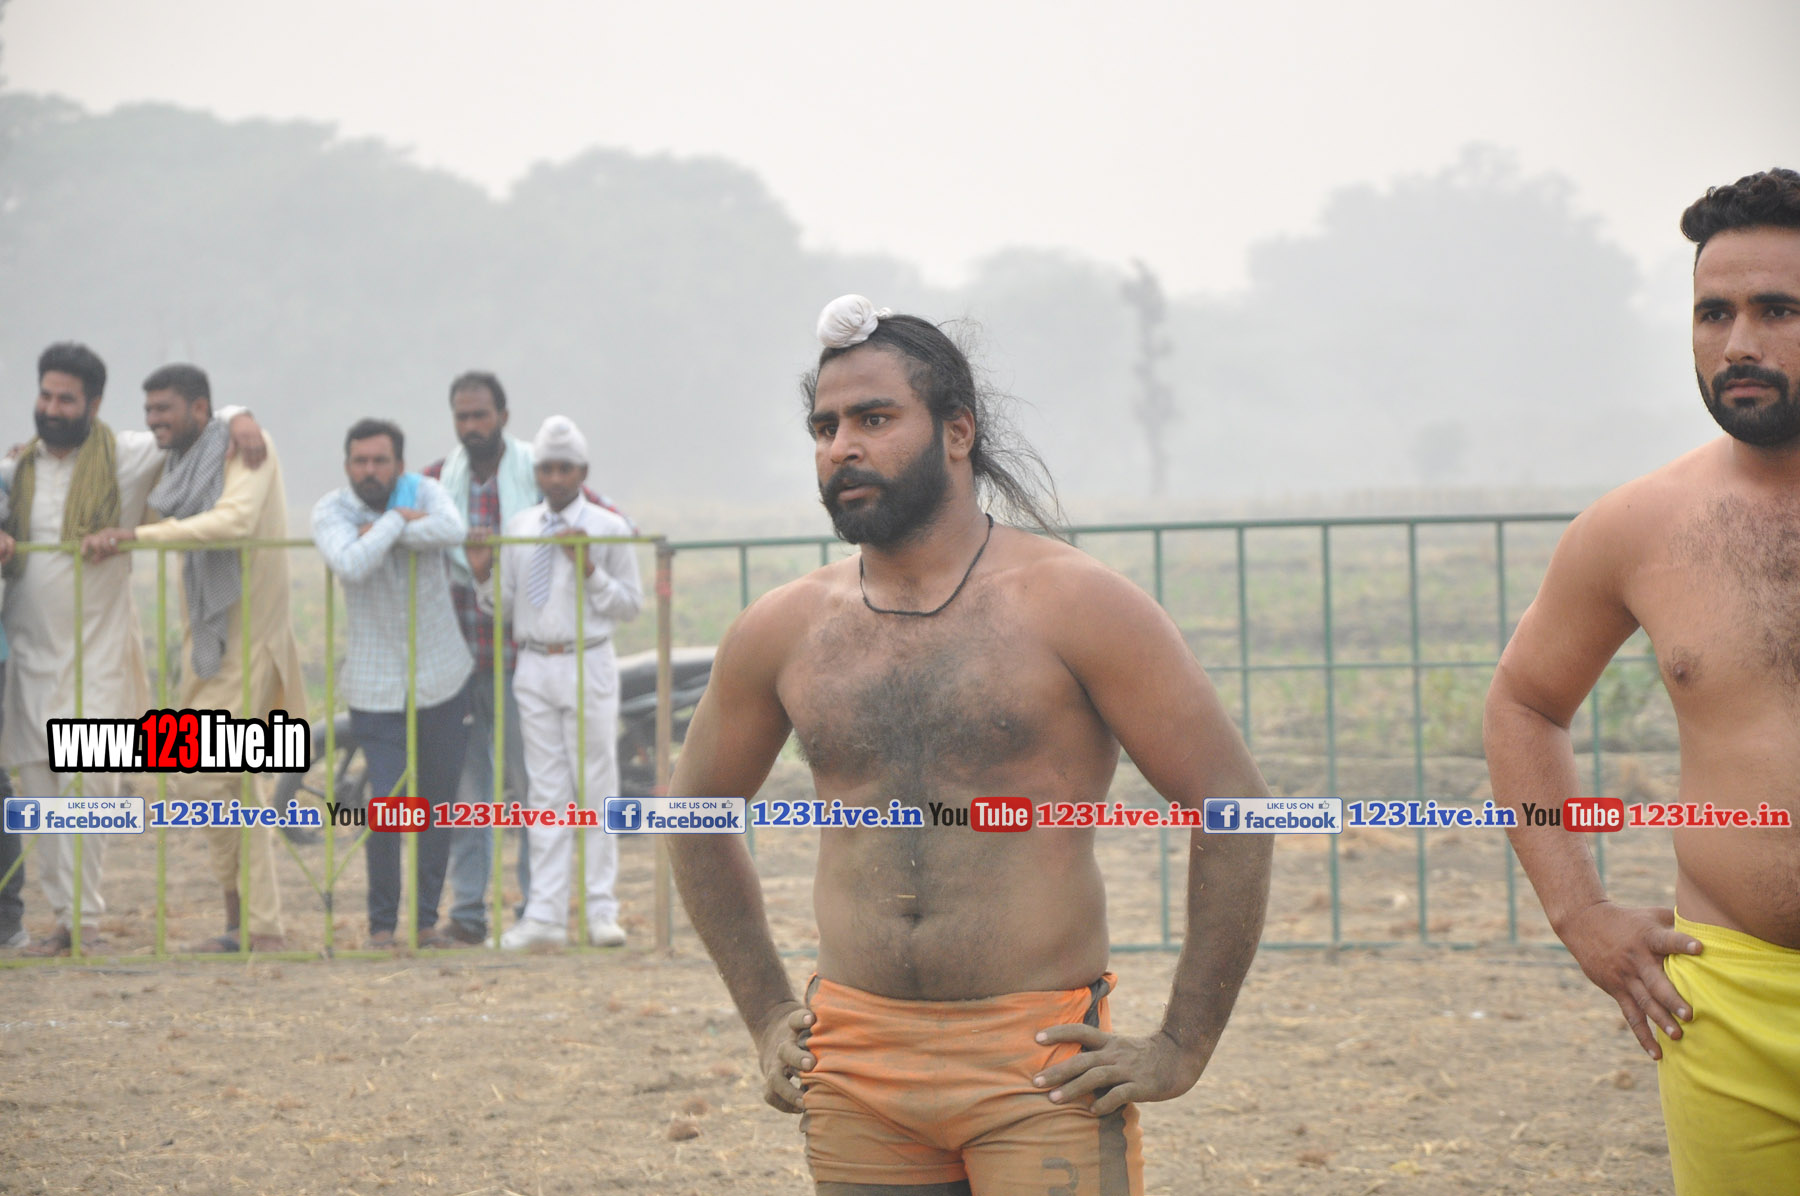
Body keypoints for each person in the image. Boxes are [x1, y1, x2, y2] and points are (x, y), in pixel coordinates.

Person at [667, 296, 1273, 1195]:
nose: (842, 448)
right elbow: (691, 816)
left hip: (1040, 1064)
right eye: (825, 428)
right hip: (854, 1063)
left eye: (875, 419)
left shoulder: (1076, 604)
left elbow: (1235, 809)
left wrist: (1184, 1042)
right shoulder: (784, 628)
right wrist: (764, 1012)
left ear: (958, 431)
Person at [1484, 168, 1800, 1195]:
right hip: (1729, 1000)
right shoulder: (1639, 526)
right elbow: (1525, 702)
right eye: (1713, 312)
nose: (1738, 342)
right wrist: (1580, 912)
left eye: (1778, 310)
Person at [0, 343, 264, 957]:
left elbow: (195, 423)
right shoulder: (17, 469)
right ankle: (63, 922)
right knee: (39, 791)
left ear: (93, 404)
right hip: (29, 655)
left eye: (67, 399)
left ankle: (86, 924)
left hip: (98, 655)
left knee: (89, 789)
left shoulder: (127, 456)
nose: (52, 408)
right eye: (46, 395)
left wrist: (240, 415)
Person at [82, 363, 307, 952]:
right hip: (207, 646)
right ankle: (247, 925)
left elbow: (233, 521)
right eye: (149, 410)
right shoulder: (181, 464)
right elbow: (156, 501)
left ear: (200, 410)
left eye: (166, 409)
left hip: (252, 644)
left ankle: (258, 927)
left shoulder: (247, 449)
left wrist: (135, 538)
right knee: (225, 785)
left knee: (212, 777)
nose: (154, 420)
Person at [470, 415, 641, 949]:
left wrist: (588, 568)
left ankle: (600, 910)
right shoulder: (521, 526)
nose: (556, 477)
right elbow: (503, 606)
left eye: (566, 468)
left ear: (583, 471)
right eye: (547, 468)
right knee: (544, 791)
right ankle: (544, 915)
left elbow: (629, 604)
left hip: (588, 659)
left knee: (596, 785)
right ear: (536, 472)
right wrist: (482, 575)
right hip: (534, 663)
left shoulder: (607, 527)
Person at [312, 418, 471, 949]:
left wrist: (385, 525)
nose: (370, 470)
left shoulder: (424, 490)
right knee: (387, 803)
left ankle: (425, 923)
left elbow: (452, 530)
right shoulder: (331, 509)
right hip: (374, 685)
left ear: (399, 465)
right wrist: (398, 524)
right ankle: (381, 927)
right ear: (347, 465)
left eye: (380, 461)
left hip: (442, 677)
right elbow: (349, 564)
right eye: (360, 461)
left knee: (436, 805)